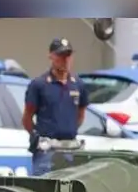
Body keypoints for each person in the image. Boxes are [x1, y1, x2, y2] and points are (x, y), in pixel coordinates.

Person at [21, 38, 90, 176]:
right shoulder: (39, 84)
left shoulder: (78, 84)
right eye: (60, 55)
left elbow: (81, 115)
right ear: (51, 56)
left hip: (71, 150)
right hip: (47, 152)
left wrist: (68, 128)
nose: (65, 59)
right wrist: (37, 136)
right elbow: (27, 118)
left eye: (68, 55)